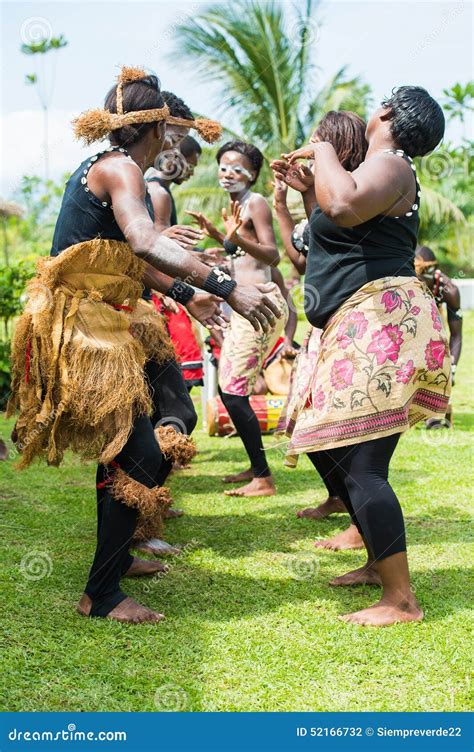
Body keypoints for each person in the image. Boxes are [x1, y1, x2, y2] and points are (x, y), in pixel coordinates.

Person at [7, 66, 281, 624]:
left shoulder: (108, 167)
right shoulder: (122, 169)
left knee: (173, 411)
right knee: (138, 450)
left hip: (114, 315)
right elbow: (143, 240)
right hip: (87, 326)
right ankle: (101, 593)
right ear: (154, 129)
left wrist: (188, 293)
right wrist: (227, 287)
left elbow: (129, 258)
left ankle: (120, 560)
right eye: (171, 135)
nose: (173, 145)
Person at [275, 86, 450, 626]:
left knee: (364, 466)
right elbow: (335, 229)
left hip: (384, 323)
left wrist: (322, 148)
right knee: (335, 453)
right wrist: (307, 192)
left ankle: (401, 601)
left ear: (388, 114)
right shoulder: (375, 173)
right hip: (359, 324)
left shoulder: (393, 166)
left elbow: (346, 205)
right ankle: (379, 562)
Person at [272, 112, 367, 540]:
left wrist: (314, 189)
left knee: (342, 430)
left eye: (318, 142)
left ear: (340, 147)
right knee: (307, 423)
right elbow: (308, 255)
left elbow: (334, 236)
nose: (310, 147)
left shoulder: (359, 189)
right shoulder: (329, 191)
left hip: (353, 328)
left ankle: (357, 520)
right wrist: (292, 200)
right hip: (324, 328)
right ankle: (341, 499)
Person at [188, 140, 288, 497]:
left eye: (237, 169)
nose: (228, 174)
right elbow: (240, 252)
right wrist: (219, 238)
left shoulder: (256, 203)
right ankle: (256, 467)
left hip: (259, 304)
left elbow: (272, 256)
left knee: (231, 392)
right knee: (233, 390)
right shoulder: (237, 205)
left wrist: (234, 239)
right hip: (244, 307)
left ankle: (264, 478)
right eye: (223, 167)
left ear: (253, 175)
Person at [415, 245, 462, 427]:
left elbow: (456, 335)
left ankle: (434, 414)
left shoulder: (449, 290)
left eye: (419, 276)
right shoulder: (404, 283)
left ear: (432, 272)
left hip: (434, 326)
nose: (415, 281)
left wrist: (452, 369)